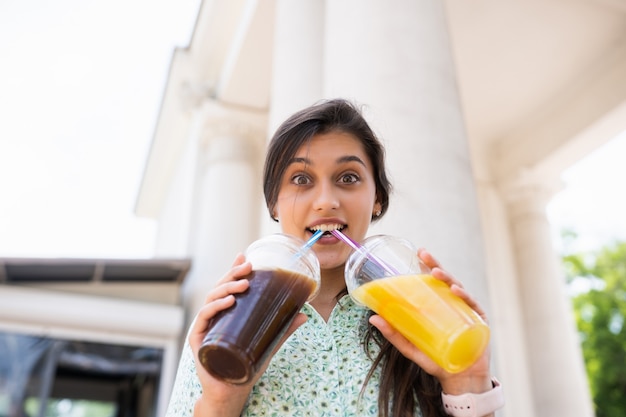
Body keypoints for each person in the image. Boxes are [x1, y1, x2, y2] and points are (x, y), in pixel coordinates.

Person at [165, 98, 504, 417]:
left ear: (377, 199)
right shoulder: (227, 322)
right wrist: (221, 401)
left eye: (348, 178)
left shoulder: (430, 318)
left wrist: (466, 382)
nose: (326, 200)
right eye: (301, 179)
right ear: (274, 203)